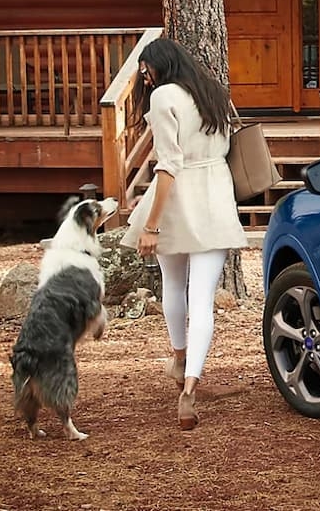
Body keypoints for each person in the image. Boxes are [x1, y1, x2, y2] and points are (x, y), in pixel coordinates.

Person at [121, 38, 248, 431]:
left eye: (145, 71)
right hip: (216, 196)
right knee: (203, 299)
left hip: (179, 198)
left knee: (173, 286)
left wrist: (151, 225)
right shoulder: (214, 93)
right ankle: (189, 385)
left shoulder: (163, 98)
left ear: (157, 66)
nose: (145, 78)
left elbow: (169, 165)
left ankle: (180, 361)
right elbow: (229, 145)